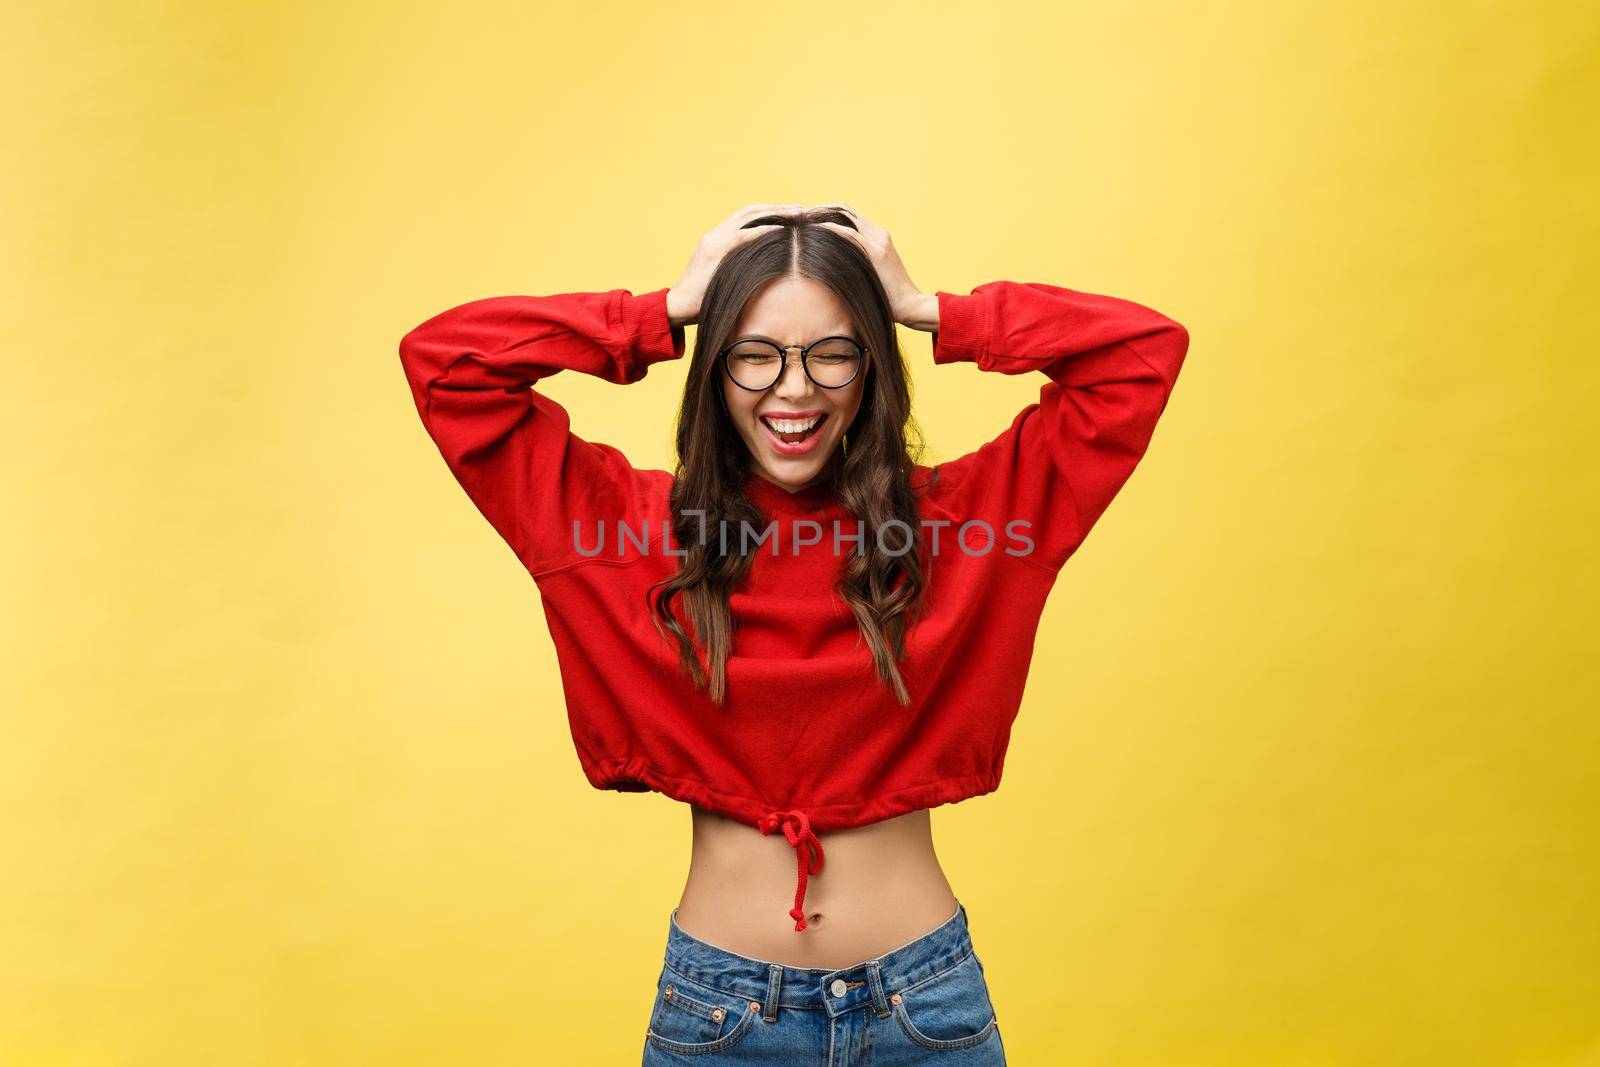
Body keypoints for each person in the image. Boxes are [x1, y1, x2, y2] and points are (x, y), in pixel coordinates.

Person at [396, 203, 1189, 1063]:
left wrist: (928, 308)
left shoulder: (967, 526)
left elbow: (1140, 356)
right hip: (721, 1016)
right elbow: (447, 366)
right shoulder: (621, 531)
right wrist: (661, 309)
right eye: (755, 352)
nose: (795, 387)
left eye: (834, 351)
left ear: (873, 366)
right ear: (715, 367)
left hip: (925, 1012)